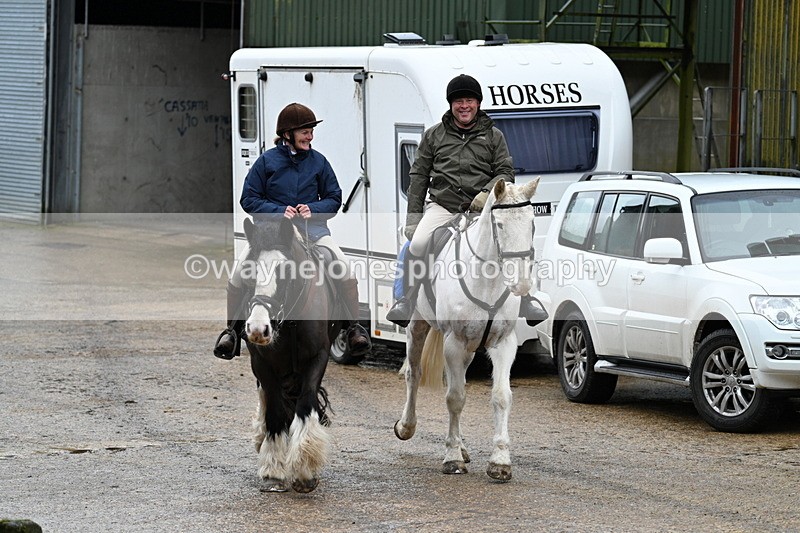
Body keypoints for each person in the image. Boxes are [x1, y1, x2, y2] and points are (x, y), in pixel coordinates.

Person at [386, 74, 548, 328]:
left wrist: (486, 193)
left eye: (469, 100)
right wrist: (413, 219)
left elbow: (505, 171)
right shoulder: (433, 136)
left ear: (478, 103)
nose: (464, 106)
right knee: (416, 245)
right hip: (443, 206)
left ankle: (527, 299)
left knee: (516, 239)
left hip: (481, 209)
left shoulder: (494, 136)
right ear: (451, 104)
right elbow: (418, 177)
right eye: (459, 101)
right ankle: (406, 300)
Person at [214, 102, 371, 359]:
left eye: (311, 131)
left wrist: (314, 208)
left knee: (344, 269)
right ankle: (231, 333)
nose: (310, 136)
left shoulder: (319, 162)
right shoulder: (266, 161)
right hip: (270, 235)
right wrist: (278, 211)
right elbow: (248, 199)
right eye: (305, 131)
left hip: (313, 232)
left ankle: (352, 329)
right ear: (288, 133)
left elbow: (334, 198)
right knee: (237, 274)